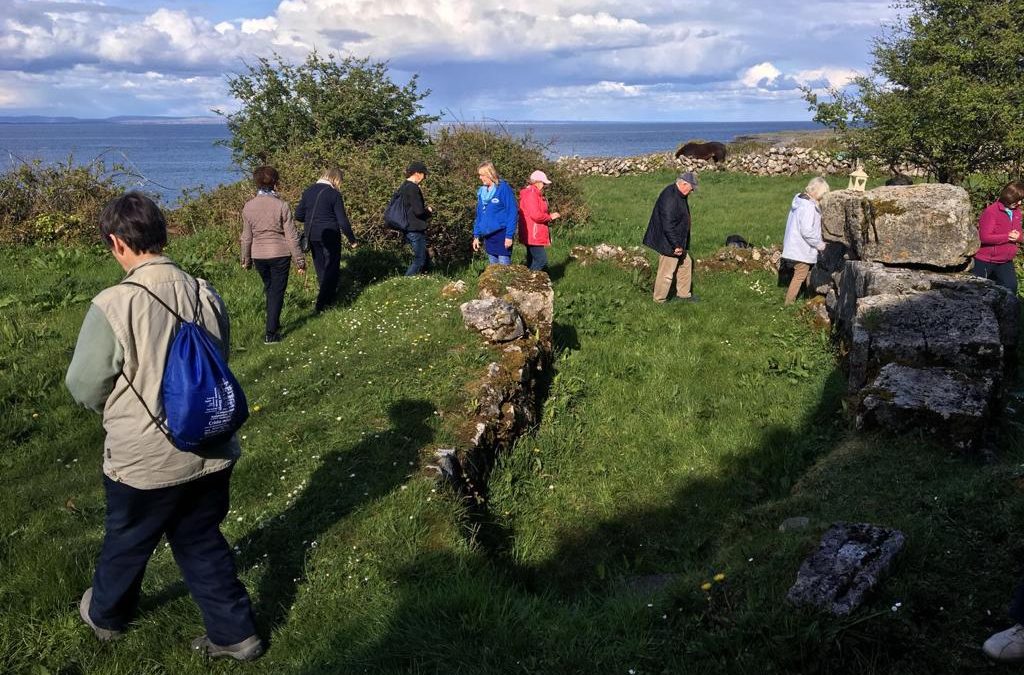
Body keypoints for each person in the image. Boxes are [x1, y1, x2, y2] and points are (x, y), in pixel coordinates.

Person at [65, 192, 262, 662]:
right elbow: (218, 361)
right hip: (210, 446)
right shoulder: (204, 290)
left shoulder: (115, 303)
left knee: (128, 538)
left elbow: (84, 385)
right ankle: (237, 634)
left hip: (144, 457)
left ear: (116, 242)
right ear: (161, 234)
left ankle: (106, 617)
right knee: (200, 539)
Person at [241, 166, 306, 343]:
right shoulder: (282, 205)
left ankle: (273, 324)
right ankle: (271, 333)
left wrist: (245, 260)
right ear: (276, 183)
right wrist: (299, 261)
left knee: (271, 289)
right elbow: (291, 236)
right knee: (276, 292)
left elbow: (246, 237)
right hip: (279, 253)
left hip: (258, 255)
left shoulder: (248, 207)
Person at [295, 167, 357, 313]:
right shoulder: (333, 194)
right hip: (330, 234)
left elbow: (298, 215)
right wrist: (352, 239)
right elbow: (342, 220)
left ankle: (328, 300)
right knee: (332, 268)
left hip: (312, 234)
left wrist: (312, 218)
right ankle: (321, 304)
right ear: (336, 179)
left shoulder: (308, 191)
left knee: (321, 268)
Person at [643, 171, 699, 303]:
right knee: (667, 273)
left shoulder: (678, 193)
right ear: (684, 183)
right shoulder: (670, 198)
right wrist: (676, 245)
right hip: (669, 242)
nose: (691, 192)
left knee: (686, 263)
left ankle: (684, 295)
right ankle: (659, 300)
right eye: (691, 189)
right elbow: (668, 225)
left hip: (677, 239)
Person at [781, 176, 831, 305]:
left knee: (803, 273)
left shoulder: (800, 202)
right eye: (822, 194)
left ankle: (807, 296)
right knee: (800, 275)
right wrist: (820, 245)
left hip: (795, 246)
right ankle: (788, 303)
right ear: (817, 192)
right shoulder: (808, 207)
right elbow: (807, 231)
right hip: (800, 248)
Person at [973, 181, 1023, 293]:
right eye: (1017, 199)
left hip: (1005, 261)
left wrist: (1019, 238)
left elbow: (1018, 234)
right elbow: (984, 237)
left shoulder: (1017, 213)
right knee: (978, 291)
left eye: (1021, 200)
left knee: (1010, 289)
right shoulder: (991, 212)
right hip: (985, 260)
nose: (1019, 203)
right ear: (1008, 197)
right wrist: (1008, 237)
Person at [472, 161, 518, 265]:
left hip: (502, 234)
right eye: (479, 175)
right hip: (488, 236)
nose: (480, 177)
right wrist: (476, 235)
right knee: (493, 269)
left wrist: (509, 236)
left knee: (503, 269)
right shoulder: (482, 192)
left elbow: (512, 212)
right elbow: (479, 215)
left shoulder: (503, 188)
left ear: (490, 174)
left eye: (482, 175)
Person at [518, 169, 561, 271]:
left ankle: (529, 282)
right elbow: (536, 215)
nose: (544, 185)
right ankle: (529, 282)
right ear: (536, 182)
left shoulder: (533, 193)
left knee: (532, 259)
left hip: (531, 232)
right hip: (534, 233)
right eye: (543, 183)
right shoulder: (532, 194)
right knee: (541, 260)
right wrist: (550, 217)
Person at [398, 160, 433, 275]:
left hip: (407, 227)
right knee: (420, 259)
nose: (425, 177)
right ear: (417, 173)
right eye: (424, 174)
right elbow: (418, 211)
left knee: (425, 257)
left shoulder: (403, 186)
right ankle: (406, 283)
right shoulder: (413, 188)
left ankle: (423, 280)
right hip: (415, 228)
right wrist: (428, 211)